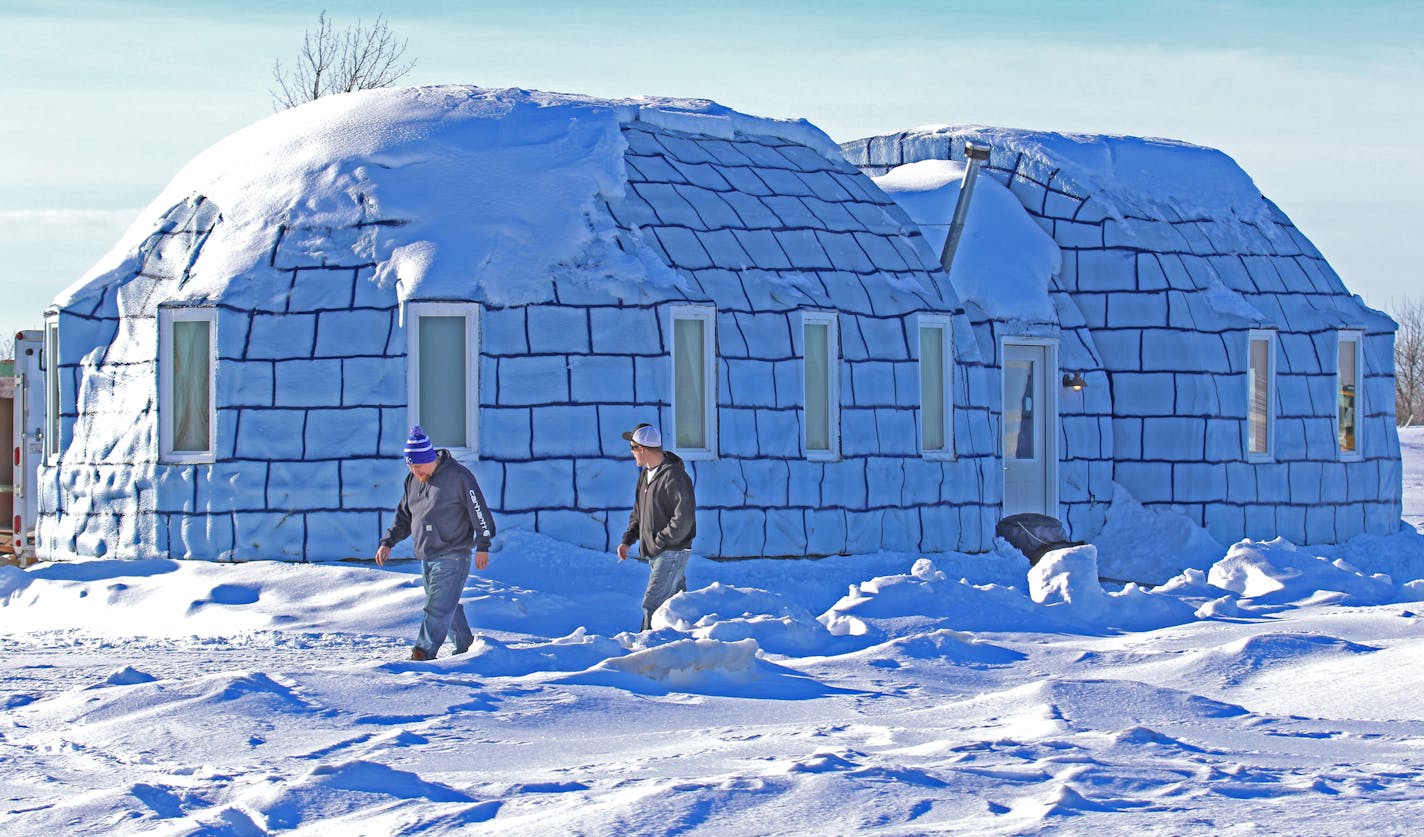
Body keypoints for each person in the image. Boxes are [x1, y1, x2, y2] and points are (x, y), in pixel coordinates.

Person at [376, 425, 497, 660]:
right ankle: (467, 648)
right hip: (427, 555)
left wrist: (483, 545)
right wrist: (388, 542)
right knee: (445, 605)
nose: (415, 471)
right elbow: (404, 515)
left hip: (454, 553)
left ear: (430, 458)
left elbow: (479, 511)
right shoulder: (412, 480)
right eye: (410, 466)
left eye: (418, 465)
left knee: (437, 607)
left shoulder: (459, 476)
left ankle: (423, 651)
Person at [616, 423, 696, 631]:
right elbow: (638, 513)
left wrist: (660, 540)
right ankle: (689, 648)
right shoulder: (645, 476)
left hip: (672, 552)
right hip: (660, 552)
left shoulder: (674, 476)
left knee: (652, 604)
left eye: (633, 447)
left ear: (642, 448)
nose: (632, 453)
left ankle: (645, 652)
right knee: (677, 606)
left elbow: (684, 517)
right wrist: (627, 540)